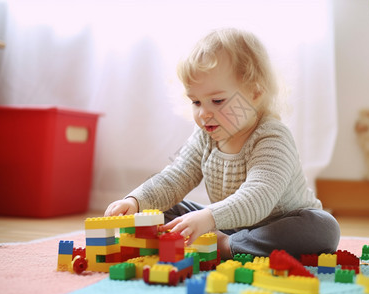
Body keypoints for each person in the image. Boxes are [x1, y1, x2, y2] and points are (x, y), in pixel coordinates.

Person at [104, 28, 340, 260]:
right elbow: (174, 177)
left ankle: (227, 245)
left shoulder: (271, 137)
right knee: (158, 210)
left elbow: (258, 197)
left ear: (255, 93)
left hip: (280, 224)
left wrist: (210, 218)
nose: (204, 113)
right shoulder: (204, 136)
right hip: (229, 223)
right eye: (196, 101)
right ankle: (207, 239)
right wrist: (135, 201)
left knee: (324, 228)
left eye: (217, 100)